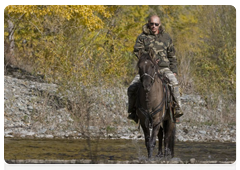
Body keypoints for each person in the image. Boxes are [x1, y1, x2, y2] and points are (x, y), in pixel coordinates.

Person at [127, 15, 183, 122]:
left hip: (163, 68)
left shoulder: (166, 37)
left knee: (174, 83)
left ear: (159, 25)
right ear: (148, 23)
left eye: (156, 24)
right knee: (131, 88)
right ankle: (132, 111)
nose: (154, 26)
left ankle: (177, 109)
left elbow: (172, 56)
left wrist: (174, 70)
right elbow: (137, 52)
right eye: (152, 24)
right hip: (147, 70)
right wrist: (149, 60)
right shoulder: (142, 37)